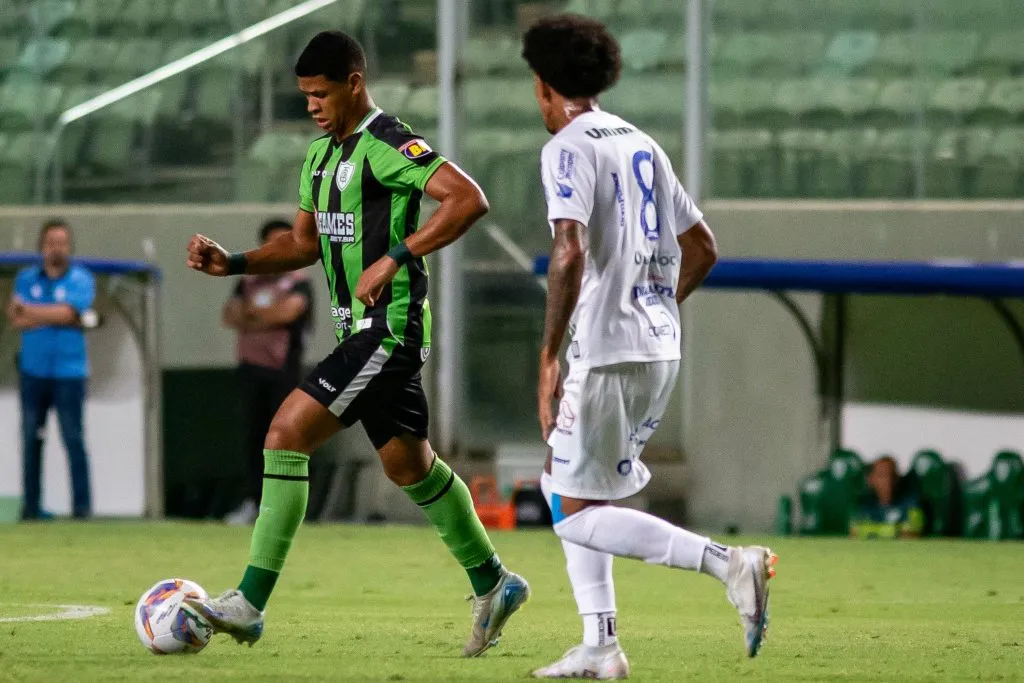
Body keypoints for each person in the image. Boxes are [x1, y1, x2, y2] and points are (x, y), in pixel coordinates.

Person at [182, 30, 529, 656]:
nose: (312, 105)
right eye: (305, 96)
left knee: (286, 433)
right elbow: (302, 243)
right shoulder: (319, 157)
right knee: (407, 465)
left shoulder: (390, 142)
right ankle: (494, 581)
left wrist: (396, 256)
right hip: (358, 331)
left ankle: (250, 602)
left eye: (321, 94)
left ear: (354, 83)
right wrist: (231, 262)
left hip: (389, 328)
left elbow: (467, 200)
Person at [522, 15, 776, 679]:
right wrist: (655, 305)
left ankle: (728, 563)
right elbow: (705, 247)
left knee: (571, 512)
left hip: (606, 350)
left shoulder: (568, 146)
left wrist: (550, 352)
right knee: (572, 489)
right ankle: (600, 644)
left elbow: (569, 247)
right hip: (657, 344)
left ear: (544, 86)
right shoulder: (643, 142)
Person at [222, 219, 313, 525]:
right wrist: (264, 318)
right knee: (253, 439)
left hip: (284, 374)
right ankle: (254, 502)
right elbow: (230, 314)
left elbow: (287, 312)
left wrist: (254, 316)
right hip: (250, 371)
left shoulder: (298, 281)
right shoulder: (247, 281)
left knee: (285, 441)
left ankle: (286, 507)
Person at [5, 220, 96, 521]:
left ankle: (81, 508)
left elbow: (71, 312)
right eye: (51, 242)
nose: (56, 247)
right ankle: (31, 507)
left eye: (62, 242)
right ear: (42, 245)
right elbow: (15, 320)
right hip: (33, 371)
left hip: (69, 372)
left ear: (69, 246)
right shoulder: (26, 278)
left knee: (73, 439)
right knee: (31, 439)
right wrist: (56, 316)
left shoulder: (81, 279)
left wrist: (32, 311)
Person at [850, 456, 924, 539]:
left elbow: (913, 533)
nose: (888, 481)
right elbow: (855, 531)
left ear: (897, 478)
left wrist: (872, 530)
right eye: (882, 475)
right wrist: (893, 530)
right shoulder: (863, 504)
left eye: (891, 475)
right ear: (871, 479)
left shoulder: (911, 503)